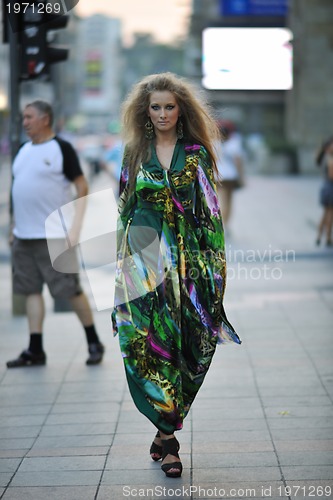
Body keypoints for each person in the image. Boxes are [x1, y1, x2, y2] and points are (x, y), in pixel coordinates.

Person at [111, 73, 241, 478]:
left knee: (186, 347)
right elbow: (124, 210)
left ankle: (163, 426)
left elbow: (210, 215)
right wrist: (121, 270)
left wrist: (214, 273)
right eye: (155, 107)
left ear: (180, 109)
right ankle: (170, 442)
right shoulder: (134, 153)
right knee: (141, 346)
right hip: (142, 261)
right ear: (144, 111)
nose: (163, 113)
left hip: (187, 268)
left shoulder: (197, 154)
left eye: (169, 106)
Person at [7, 100, 105, 368]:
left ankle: (94, 341)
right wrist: (12, 227)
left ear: (45, 119)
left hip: (55, 236)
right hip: (24, 236)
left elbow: (82, 185)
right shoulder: (23, 150)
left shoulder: (61, 148)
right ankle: (35, 349)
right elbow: (18, 192)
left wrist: (76, 227)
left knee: (70, 291)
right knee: (30, 291)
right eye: (23, 117)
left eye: (29, 117)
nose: (24, 122)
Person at [215, 120, 245, 233]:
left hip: (217, 176)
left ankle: (220, 225)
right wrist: (241, 177)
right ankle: (225, 225)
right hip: (230, 177)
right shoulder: (233, 144)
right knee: (227, 202)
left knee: (218, 201)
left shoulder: (213, 143)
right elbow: (238, 162)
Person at [316, 136, 333, 246]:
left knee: (325, 213)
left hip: (325, 187)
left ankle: (318, 236)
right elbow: (332, 176)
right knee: (330, 214)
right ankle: (327, 237)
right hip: (330, 187)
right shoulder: (330, 159)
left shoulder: (324, 158)